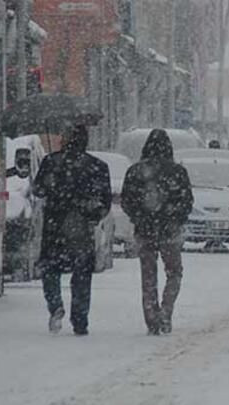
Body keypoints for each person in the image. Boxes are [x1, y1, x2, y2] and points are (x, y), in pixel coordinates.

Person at [33, 125, 112, 336]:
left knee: (51, 269)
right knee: (82, 274)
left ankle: (55, 305)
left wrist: (51, 182)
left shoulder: (51, 162)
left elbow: (37, 190)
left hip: (54, 226)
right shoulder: (97, 166)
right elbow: (105, 201)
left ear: (65, 140)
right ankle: (80, 320)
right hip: (81, 229)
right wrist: (92, 215)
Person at [121, 129, 194, 335]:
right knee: (174, 272)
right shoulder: (178, 172)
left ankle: (151, 317)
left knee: (148, 275)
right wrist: (174, 219)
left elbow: (127, 201)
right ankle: (166, 311)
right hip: (169, 231)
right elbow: (187, 202)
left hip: (144, 231)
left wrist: (139, 218)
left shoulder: (135, 171)